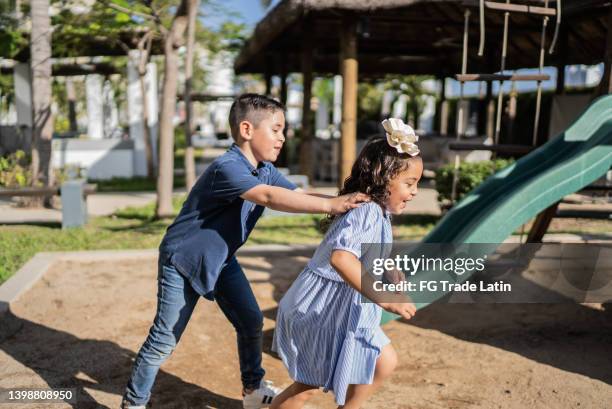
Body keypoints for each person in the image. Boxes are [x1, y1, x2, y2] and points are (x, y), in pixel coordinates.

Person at [121, 94, 369, 409]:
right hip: (182, 260)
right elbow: (267, 196)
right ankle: (134, 403)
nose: (283, 137)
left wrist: (348, 203)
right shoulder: (227, 167)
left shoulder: (264, 168)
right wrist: (333, 204)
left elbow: (297, 194)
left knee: (251, 321)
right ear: (247, 129)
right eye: (276, 129)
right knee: (164, 339)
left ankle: (253, 390)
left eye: (284, 130)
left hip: (222, 259)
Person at [271, 118, 423, 409]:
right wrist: (384, 297)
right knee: (308, 385)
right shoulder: (366, 211)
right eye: (409, 183)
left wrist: (387, 267)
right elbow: (341, 258)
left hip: (343, 309)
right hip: (321, 309)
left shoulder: (379, 212)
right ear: (383, 179)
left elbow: (365, 251)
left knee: (383, 361)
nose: (415, 191)